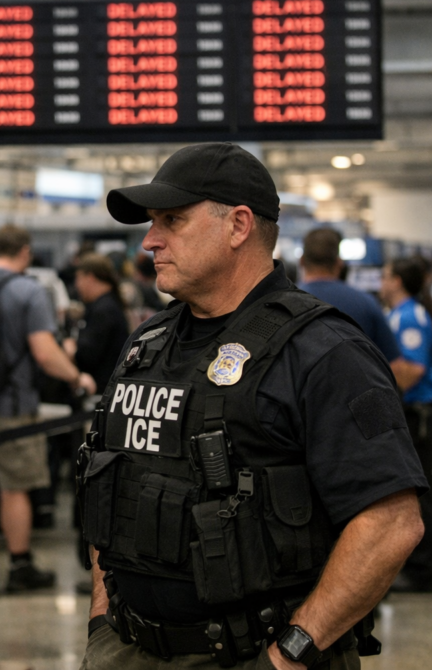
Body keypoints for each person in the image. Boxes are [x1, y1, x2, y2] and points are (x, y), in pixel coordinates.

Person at [78, 142, 426, 670]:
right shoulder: (147, 343)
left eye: (172, 220)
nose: (150, 241)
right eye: (152, 222)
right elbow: (114, 486)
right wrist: (103, 624)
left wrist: (288, 655)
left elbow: (391, 523)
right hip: (126, 650)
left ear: (239, 226)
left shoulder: (325, 350)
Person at [0, 224, 95, 592]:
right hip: (12, 403)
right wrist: (77, 378)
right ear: (24, 252)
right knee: (16, 487)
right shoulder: (28, 291)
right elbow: (44, 353)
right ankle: (19, 562)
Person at [297, 228, 414, 384]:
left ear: (302, 261)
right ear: (339, 263)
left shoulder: (280, 303)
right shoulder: (366, 303)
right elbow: (396, 369)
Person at [381, 257, 432, 591]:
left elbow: (413, 368)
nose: (380, 283)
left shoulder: (410, 317)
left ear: (397, 281)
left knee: (420, 492)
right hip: (409, 411)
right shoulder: (399, 315)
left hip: (417, 413)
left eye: (385, 276)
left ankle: (421, 570)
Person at [68, 253, 131, 391]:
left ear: (89, 277)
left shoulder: (104, 310)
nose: (76, 285)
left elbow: (87, 357)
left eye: (78, 278)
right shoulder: (109, 304)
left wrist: (71, 349)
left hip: (101, 390)